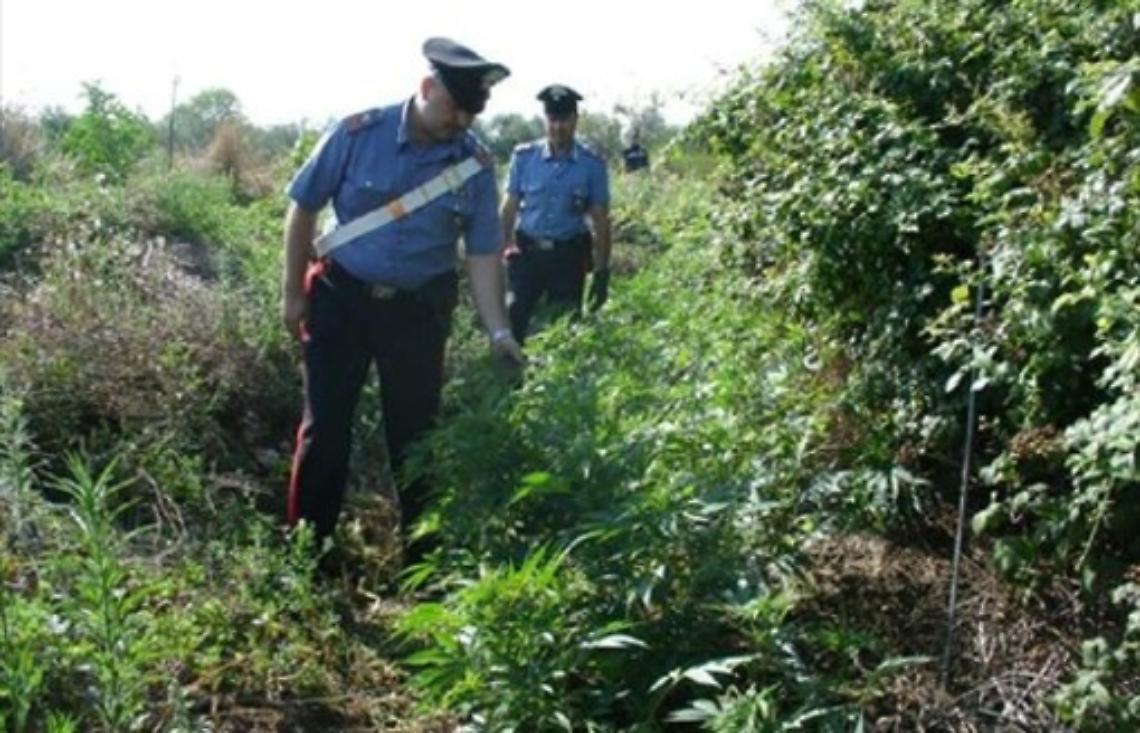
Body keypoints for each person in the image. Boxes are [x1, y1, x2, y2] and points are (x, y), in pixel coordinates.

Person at [281, 37, 522, 562]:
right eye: (454, 107)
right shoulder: (356, 134)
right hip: (341, 299)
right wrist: (292, 294)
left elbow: (483, 253)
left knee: (416, 438)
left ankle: (423, 564)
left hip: (417, 312)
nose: (462, 120)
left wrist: (499, 331)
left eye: (472, 112)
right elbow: (303, 207)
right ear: (427, 87)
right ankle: (308, 556)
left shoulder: (475, 164)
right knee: (325, 430)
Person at [500, 84, 612, 343]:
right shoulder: (524, 158)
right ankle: (510, 368)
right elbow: (508, 207)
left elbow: (601, 222)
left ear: (575, 120)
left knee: (565, 331)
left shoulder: (591, 165)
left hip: (568, 258)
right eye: (552, 119)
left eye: (564, 120)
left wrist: (602, 272)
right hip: (527, 255)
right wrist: (504, 248)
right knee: (512, 318)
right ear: (545, 120)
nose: (558, 127)